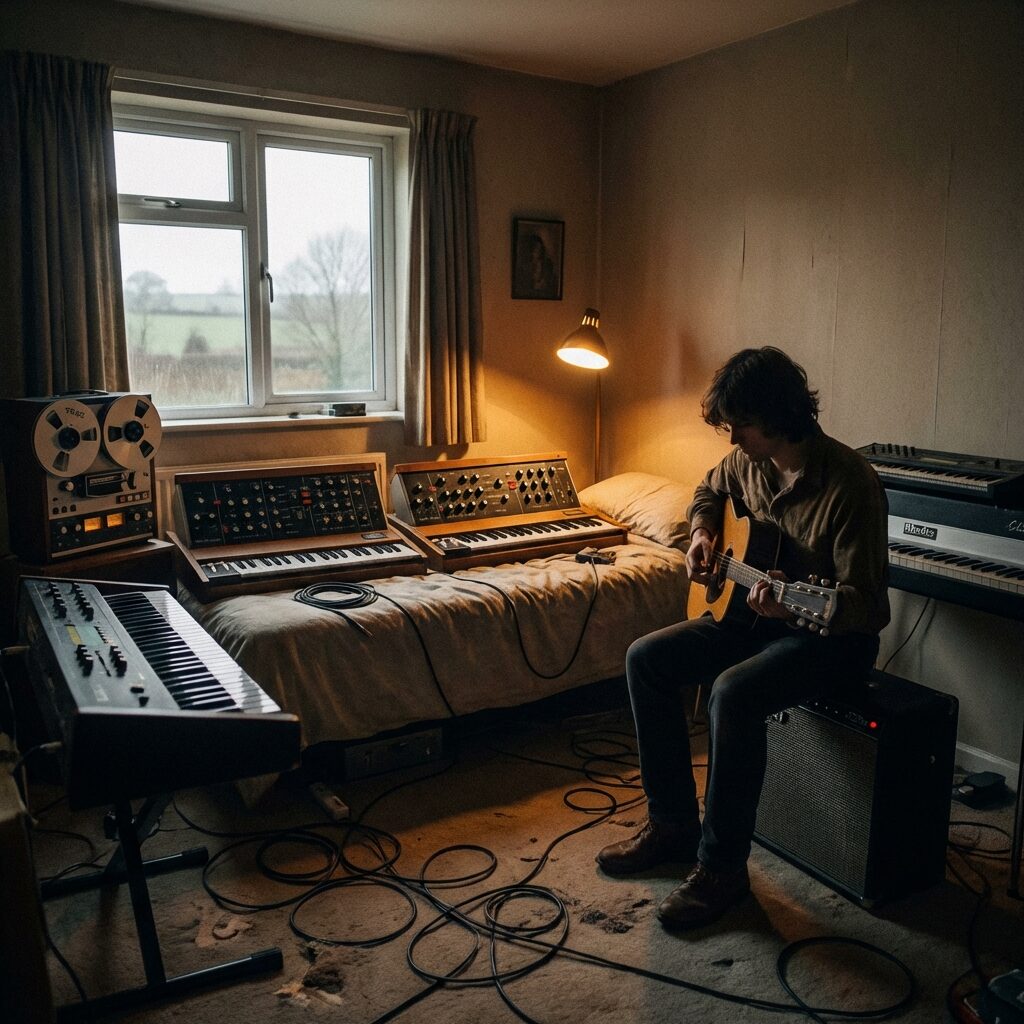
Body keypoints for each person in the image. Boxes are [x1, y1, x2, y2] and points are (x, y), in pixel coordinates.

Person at [596, 346, 890, 928]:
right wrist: (703, 533)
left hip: (828, 640)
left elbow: (866, 607)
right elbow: (707, 491)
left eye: (741, 427)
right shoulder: (748, 464)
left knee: (732, 692)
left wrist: (790, 606)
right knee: (645, 659)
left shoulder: (851, 485)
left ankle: (722, 868)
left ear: (778, 417)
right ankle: (673, 825)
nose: (732, 440)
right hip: (748, 617)